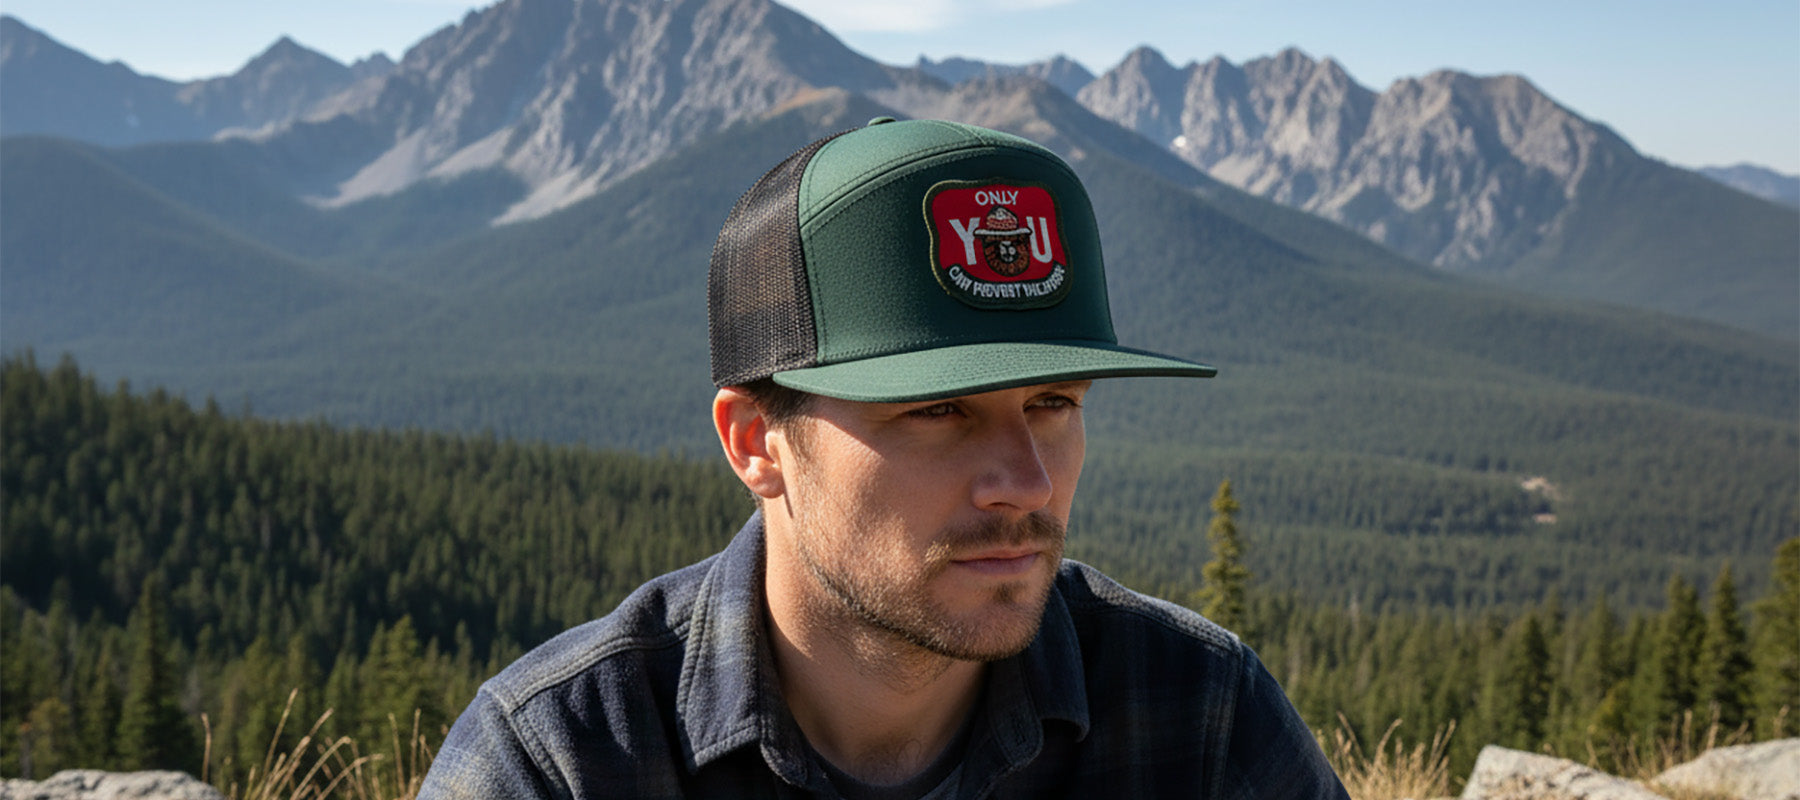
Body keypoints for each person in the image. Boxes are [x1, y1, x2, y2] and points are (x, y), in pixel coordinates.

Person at [419, 118, 1348, 799]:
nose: (1026, 481)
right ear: (756, 441)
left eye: (1055, 402)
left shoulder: (1197, 715)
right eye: (938, 410)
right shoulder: (567, 761)